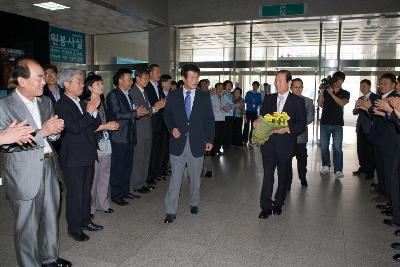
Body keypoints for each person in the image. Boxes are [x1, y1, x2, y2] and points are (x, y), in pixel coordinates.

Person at [0, 59, 71, 267]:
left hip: (49, 166)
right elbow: (8, 145)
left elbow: (51, 137)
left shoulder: (45, 102)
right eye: (39, 77)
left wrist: (55, 132)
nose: (45, 81)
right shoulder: (4, 107)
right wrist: (44, 132)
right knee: (27, 227)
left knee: (51, 217)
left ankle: (50, 258)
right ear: (21, 80)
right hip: (24, 173)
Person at [55, 68, 103, 242]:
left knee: (85, 191)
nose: (83, 85)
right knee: (75, 194)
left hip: (87, 153)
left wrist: (93, 111)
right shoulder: (61, 105)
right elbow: (74, 128)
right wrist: (90, 112)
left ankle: (85, 220)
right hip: (73, 157)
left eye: (82, 81)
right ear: (66, 84)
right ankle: (74, 228)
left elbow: (94, 124)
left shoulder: (81, 102)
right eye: (78, 82)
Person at [163, 64, 215, 223]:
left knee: (195, 177)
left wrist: (209, 140)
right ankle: (170, 211)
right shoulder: (173, 96)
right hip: (178, 143)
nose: (194, 80)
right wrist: (172, 129)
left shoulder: (204, 97)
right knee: (175, 179)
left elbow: (209, 120)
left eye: (196, 78)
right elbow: (167, 116)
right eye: (191, 77)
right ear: (183, 78)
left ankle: (194, 202)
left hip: (197, 142)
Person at [257, 70, 306, 219]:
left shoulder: (297, 101)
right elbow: (262, 117)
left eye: (279, 80)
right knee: (267, 176)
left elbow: (302, 124)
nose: (276, 83)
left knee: (283, 175)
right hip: (268, 144)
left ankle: (278, 203)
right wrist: (257, 123)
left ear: (289, 83)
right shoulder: (269, 99)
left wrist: (288, 129)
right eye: (275, 80)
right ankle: (265, 206)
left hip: (285, 145)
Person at [106, 68, 148, 206]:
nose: (131, 81)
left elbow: (131, 113)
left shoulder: (128, 95)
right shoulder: (113, 95)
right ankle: (116, 195)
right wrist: (135, 113)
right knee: (118, 167)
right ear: (120, 80)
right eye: (129, 79)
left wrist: (135, 113)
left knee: (127, 166)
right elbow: (117, 115)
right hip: (119, 136)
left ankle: (124, 191)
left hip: (130, 135)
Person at [82, 74, 119, 218]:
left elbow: (105, 121)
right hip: (93, 143)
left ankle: (102, 203)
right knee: (94, 176)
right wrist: (106, 126)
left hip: (105, 141)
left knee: (105, 174)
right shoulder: (85, 103)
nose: (101, 86)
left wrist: (112, 125)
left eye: (101, 83)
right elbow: (87, 127)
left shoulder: (102, 102)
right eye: (97, 84)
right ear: (89, 87)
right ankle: (90, 208)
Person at [130, 69, 161, 194]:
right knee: (138, 158)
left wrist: (153, 108)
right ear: (137, 78)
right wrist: (154, 108)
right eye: (145, 78)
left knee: (146, 158)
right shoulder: (133, 91)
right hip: (140, 129)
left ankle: (142, 182)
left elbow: (147, 108)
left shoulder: (144, 91)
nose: (147, 81)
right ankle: (137, 184)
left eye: (148, 79)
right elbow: (141, 111)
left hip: (147, 128)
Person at [317, 71, 350, 178]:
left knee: (337, 148)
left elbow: (342, 103)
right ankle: (326, 166)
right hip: (325, 123)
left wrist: (332, 94)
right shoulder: (326, 91)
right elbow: (320, 104)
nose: (336, 82)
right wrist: (322, 91)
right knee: (324, 147)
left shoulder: (345, 93)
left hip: (337, 124)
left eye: (339, 80)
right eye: (335, 80)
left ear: (342, 81)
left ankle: (338, 170)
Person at [286, 78, 315, 189]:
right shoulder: (286, 100)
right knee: (287, 160)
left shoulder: (308, 101)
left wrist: (297, 126)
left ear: (302, 88)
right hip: (287, 136)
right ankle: (287, 182)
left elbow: (310, 117)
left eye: (300, 87)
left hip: (301, 136)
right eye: (295, 87)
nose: (298, 89)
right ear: (291, 88)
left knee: (302, 159)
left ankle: (303, 177)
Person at [144, 64, 167, 185]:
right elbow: (152, 104)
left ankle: (157, 173)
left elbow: (163, 101)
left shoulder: (158, 86)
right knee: (152, 152)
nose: (159, 74)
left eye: (159, 72)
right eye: (157, 72)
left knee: (159, 150)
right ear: (150, 74)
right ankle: (149, 176)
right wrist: (159, 105)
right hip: (152, 123)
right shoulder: (147, 87)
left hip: (161, 123)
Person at [352, 79, 378, 180]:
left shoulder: (375, 97)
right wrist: (356, 107)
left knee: (369, 151)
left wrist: (368, 107)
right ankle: (362, 167)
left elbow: (375, 112)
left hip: (370, 127)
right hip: (360, 127)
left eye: (364, 86)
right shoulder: (360, 98)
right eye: (361, 86)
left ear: (369, 86)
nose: (362, 88)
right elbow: (355, 113)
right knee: (360, 149)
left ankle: (370, 171)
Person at [243, 81, 262, 145]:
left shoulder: (259, 94)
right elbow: (245, 100)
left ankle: (251, 139)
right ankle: (244, 139)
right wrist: (251, 101)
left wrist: (255, 101)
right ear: (252, 85)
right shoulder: (248, 93)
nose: (255, 87)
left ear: (258, 87)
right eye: (254, 85)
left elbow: (260, 103)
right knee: (246, 126)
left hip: (254, 112)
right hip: (248, 111)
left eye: (256, 86)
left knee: (253, 127)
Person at [210, 82, 226, 156]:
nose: (221, 89)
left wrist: (226, 108)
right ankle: (213, 151)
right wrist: (220, 108)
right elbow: (210, 107)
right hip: (215, 119)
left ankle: (218, 149)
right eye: (219, 88)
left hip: (222, 119)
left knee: (221, 136)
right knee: (215, 136)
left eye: (222, 88)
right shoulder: (211, 96)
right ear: (215, 89)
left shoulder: (223, 97)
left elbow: (224, 106)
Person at [222, 80, 234, 150]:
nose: (229, 87)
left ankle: (228, 145)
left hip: (230, 115)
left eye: (230, 86)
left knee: (229, 131)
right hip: (225, 115)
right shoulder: (224, 94)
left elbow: (231, 105)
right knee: (225, 131)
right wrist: (235, 105)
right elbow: (227, 105)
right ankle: (225, 146)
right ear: (224, 87)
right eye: (228, 86)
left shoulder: (230, 94)